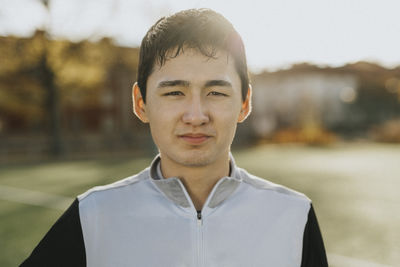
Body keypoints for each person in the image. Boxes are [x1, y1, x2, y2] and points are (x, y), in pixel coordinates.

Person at [21, 8, 328, 267]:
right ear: (141, 103)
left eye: (216, 92)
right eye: (174, 92)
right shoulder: (93, 216)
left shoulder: (294, 216)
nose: (196, 115)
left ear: (245, 103)